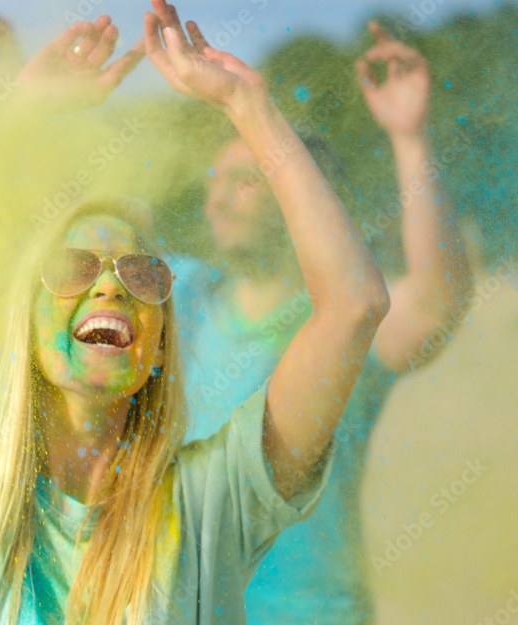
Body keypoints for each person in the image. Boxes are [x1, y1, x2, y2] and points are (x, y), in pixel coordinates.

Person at [0, 2, 389, 623]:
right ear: (25, 315)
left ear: (160, 344)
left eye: (141, 273)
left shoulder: (209, 505)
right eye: (74, 267)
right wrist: (16, 111)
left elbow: (353, 305)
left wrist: (251, 107)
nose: (110, 287)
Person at [168, 21, 473, 625]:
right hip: (182, 608)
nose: (218, 199)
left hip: (312, 612)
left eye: (245, 181)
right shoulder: (188, 302)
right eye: (215, 182)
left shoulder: (345, 325)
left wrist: (410, 139)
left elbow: (437, 301)